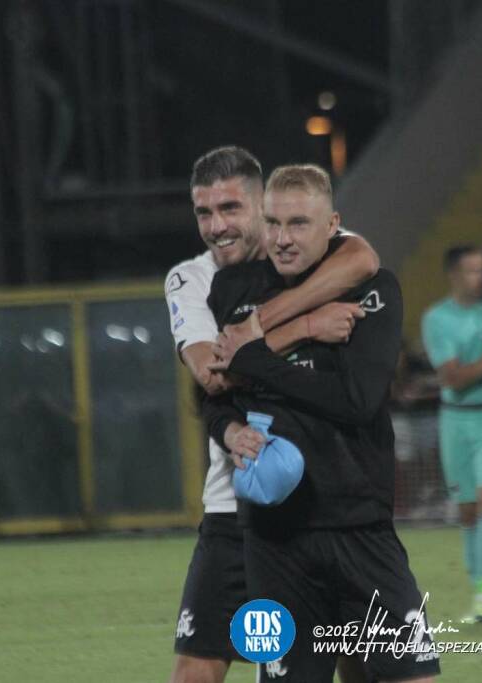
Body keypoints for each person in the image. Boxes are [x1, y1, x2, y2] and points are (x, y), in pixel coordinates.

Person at [204, 164, 439, 682]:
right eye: (273, 223)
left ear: (333, 225)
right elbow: (215, 394)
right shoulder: (232, 289)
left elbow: (356, 400)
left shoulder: (371, 289)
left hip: (360, 528)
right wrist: (227, 430)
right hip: (273, 541)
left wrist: (254, 358)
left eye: (299, 224)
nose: (282, 239)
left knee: (413, 678)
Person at [165, 147, 379, 683]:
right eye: (204, 213)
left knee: (356, 665)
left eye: (231, 208)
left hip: (332, 500)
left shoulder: (305, 248)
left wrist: (255, 331)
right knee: (196, 669)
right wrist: (302, 326)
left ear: (264, 204)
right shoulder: (190, 279)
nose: (217, 227)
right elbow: (213, 375)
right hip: (237, 503)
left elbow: (363, 259)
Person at [420, 245, 482, 623]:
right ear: (454, 275)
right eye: (473, 271)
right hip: (456, 420)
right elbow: (453, 380)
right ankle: (478, 592)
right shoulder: (437, 318)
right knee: (469, 510)